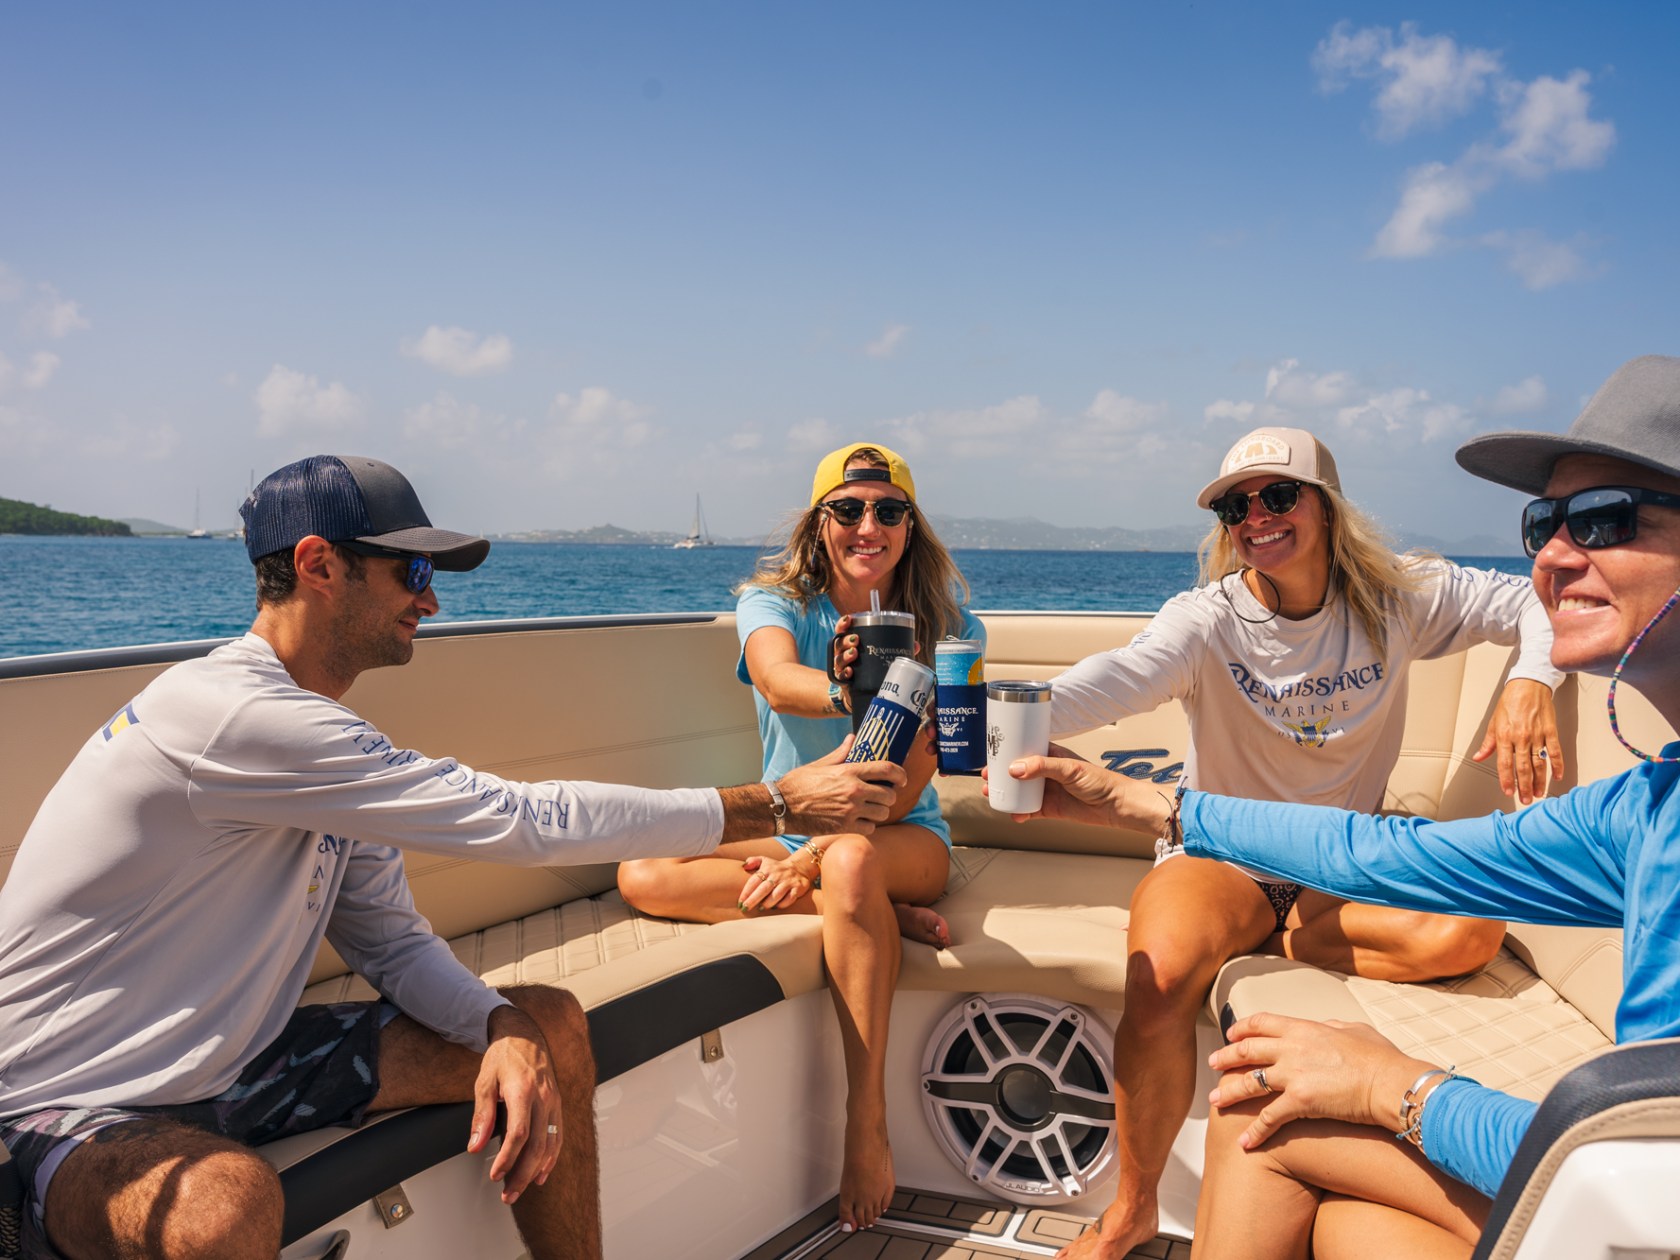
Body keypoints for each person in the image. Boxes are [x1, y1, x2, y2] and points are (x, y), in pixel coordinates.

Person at [0, 454, 906, 1260]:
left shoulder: (322, 744)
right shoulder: (236, 716)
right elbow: (519, 819)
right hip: (75, 1100)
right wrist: (776, 801)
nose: (430, 600)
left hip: (242, 1059)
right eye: (413, 571)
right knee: (224, 1208)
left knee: (546, 1020)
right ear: (319, 566)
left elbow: (388, 942)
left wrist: (495, 1023)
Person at [1003, 354, 1680, 1259]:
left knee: (1465, 935)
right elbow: (1102, 684)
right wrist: (954, 720)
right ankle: (1130, 1205)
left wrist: (1528, 680)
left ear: (1326, 504)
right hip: (1233, 856)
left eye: (1278, 495)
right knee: (1159, 977)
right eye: (1233, 506)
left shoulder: (1399, 598)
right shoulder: (1205, 621)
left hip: (1342, 858)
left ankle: (1284, 941)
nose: (1256, 519)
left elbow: (1530, 609)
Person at [617, 442, 983, 1234]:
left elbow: (913, 780)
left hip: (902, 835)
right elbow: (778, 678)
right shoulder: (773, 601)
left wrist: (815, 857)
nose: (868, 526)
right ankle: (865, 917)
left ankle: (867, 1122)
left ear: (910, 527)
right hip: (796, 830)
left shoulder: (950, 629)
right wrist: (844, 687)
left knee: (852, 859)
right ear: (820, 525)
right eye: (847, 510)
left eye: (889, 511)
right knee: (641, 872)